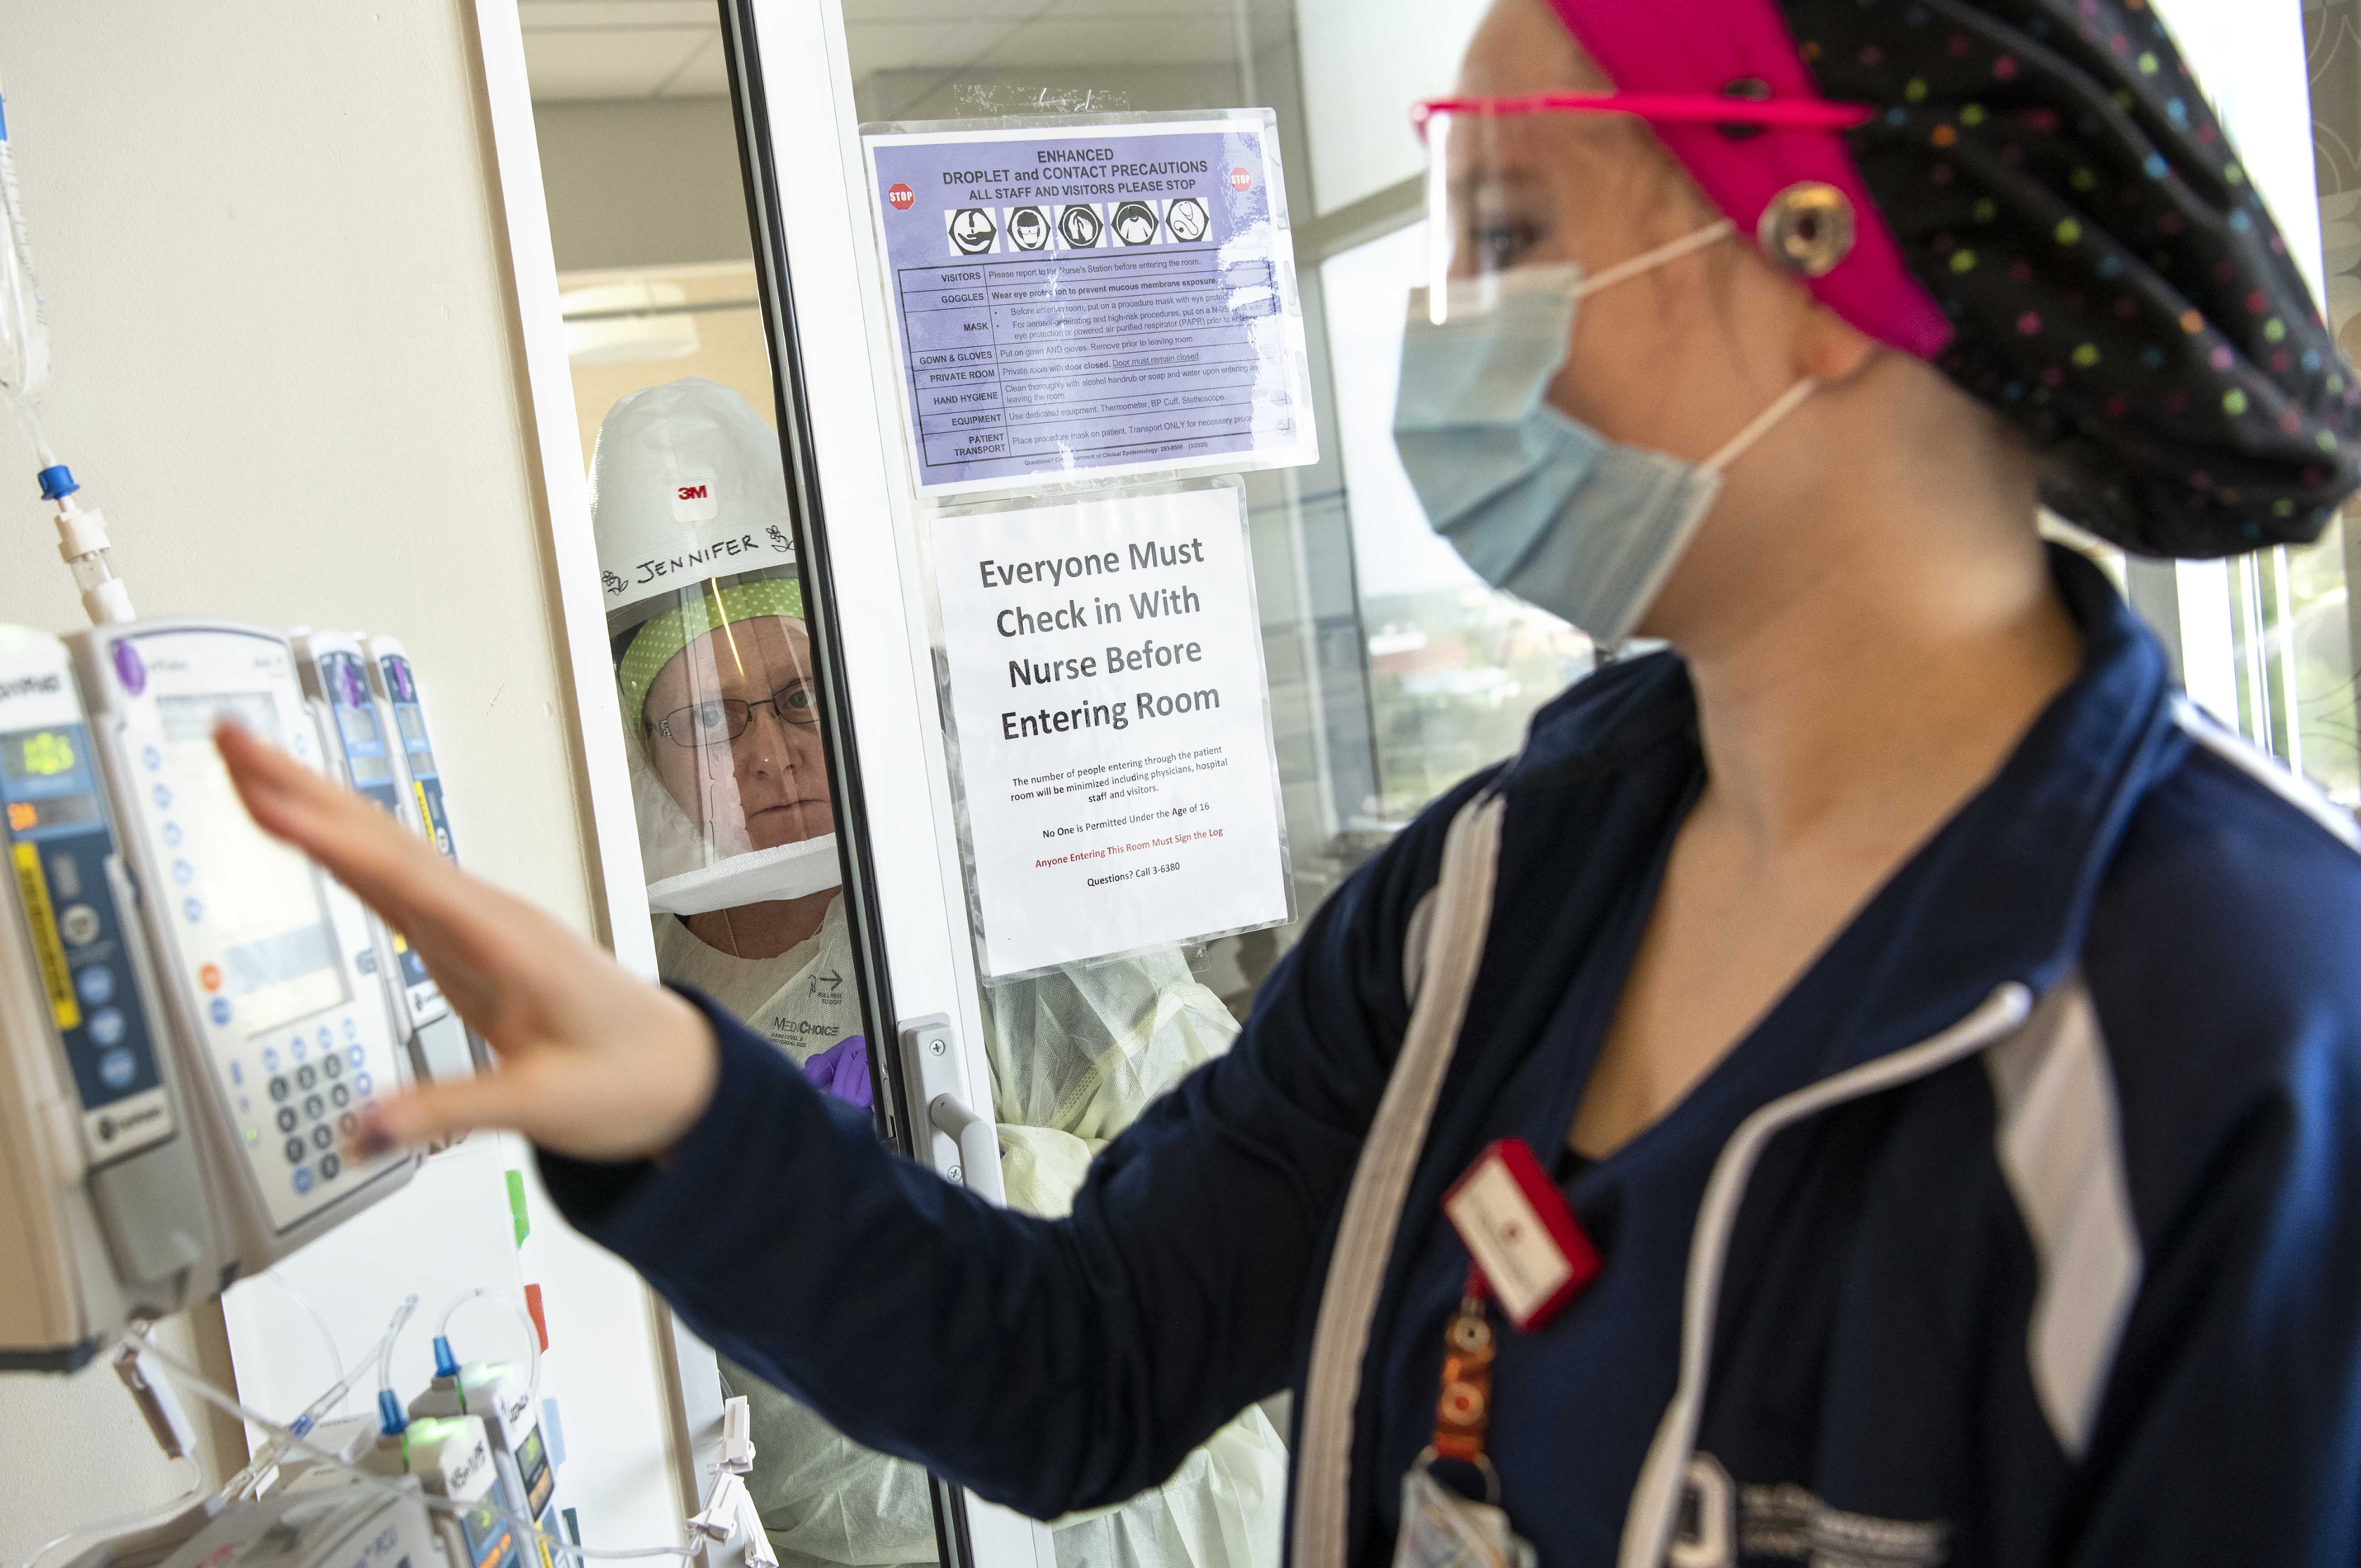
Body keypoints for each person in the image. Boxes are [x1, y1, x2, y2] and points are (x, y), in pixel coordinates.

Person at [218, 1, 2361, 1563]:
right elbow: (1080, 1363)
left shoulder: (2244, 1032)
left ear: (1814, 256)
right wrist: (678, 1104)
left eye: (1507, 226)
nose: (1445, 329)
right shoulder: (1504, 896)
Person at [588, 380, 1286, 1568]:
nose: (771, 755)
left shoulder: (985, 920)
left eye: (799, 696)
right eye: (708, 719)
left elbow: (1230, 1206)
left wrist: (974, 1193)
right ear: (644, 747)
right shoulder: (639, 986)